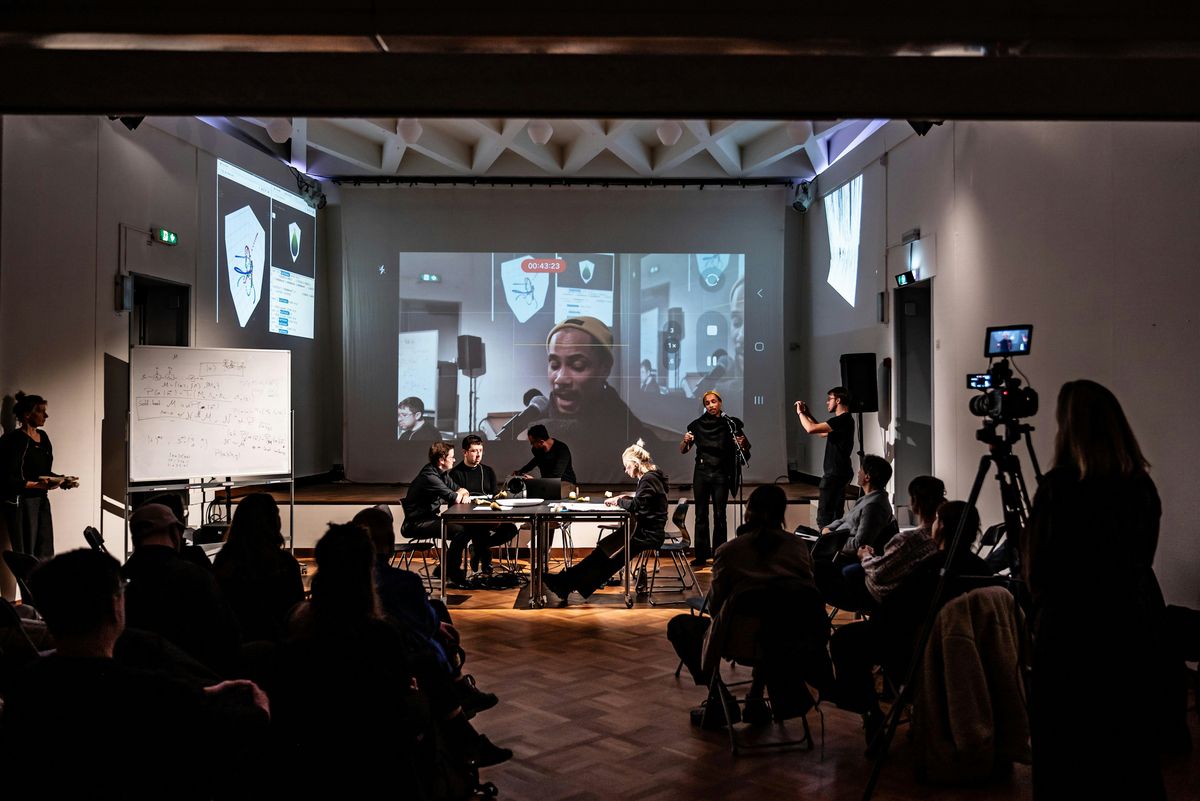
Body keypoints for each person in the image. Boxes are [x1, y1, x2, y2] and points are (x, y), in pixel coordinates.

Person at [0, 549, 270, 800]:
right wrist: (259, 709)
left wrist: (199, 694)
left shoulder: (24, 686)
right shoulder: (148, 690)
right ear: (115, 606)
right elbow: (242, 731)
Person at [269, 523, 510, 795]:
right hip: (376, 736)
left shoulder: (297, 623)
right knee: (424, 681)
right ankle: (453, 760)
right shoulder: (379, 634)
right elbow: (394, 692)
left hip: (313, 744)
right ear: (367, 572)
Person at [1024, 380, 1173, 799]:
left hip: (1068, 638)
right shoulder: (1141, 486)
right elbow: (1143, 558)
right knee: (1128, 752)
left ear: (1067, 428)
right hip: (1130, 632)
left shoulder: (1058, 488)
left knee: (1066, 756)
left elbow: (1037, 571)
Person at [829, 500, 992, 745]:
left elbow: (894, 612)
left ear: (941, 526)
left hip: (916, 649)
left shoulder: (931, 568)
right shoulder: (982, 570)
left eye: (936, 520)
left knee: (844, 640)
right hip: (965, 651)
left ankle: (871, 712)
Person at [667, 485, 827, 719]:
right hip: (792, 640)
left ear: (748, 512)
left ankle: (720, 701)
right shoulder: (798, 548)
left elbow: (714, 607)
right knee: (770, 619)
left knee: (680, 627)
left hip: (738, 642)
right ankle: (755, 697)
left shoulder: (730, 551)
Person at [121, 503, 241, 675]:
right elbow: (228, 636)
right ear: (174, 533)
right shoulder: (198, 577)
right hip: (194, 680)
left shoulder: (119, 581)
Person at [542, 440, 667, 604]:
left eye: (627, 466)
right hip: (641, 530)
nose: (626, 470)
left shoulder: (649, 479)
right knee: (602, 552)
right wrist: (626, 498)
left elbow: (637, 505)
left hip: (646, 534)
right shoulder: (651, 477)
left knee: (608, 559)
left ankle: (564, 584)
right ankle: (565, 583)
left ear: (635, 463)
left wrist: (618, 501)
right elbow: (644, 502)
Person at [541, 315, 658, 482]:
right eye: (554, 365)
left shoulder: (633, 440)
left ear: (604, 368)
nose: (560, 379)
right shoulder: (534, 425)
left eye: (578, 365)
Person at [212, 492, 305, 643]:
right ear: (272, 522)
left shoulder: (224, 561)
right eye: (277, 514)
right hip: (279, 643)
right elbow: (296, 610)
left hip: (235, 643)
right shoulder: (284, 563)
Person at [679, 390, 750, 567]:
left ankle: (719, 555)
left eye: (713, 401)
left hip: (721, 473)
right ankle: (701, 555)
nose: (711, 405)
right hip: (702, 473)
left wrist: (742, 444)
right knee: (701, 514)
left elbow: (745, 446)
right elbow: (683, 449)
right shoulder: (696, 425)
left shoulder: (731, 424)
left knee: (720, 515)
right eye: (707, 403)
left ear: (720, 402)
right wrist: (685, 440)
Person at [0, 392, 74, 559]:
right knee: (27, 553)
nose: (46, 416)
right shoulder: (12, 440)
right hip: (22, 503)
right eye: (41, 411)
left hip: (41, 500)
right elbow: (8, 479)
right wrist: (39, 485)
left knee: (45, 550)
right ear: (27, 415)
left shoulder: (44, 438)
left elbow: (44, 472)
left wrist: (61, 480)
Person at [400, 441, 481, 589]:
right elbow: (455, 497)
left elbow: (462, 490)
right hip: (416, 523)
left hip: (429, 519)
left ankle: (445, 569)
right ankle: (452, 573)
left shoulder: (442, 474)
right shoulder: (429, 476)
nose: (454, 460)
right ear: (441, 460)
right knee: (461, 532)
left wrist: (460, 494)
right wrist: (459, 495)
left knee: (465, 529)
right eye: (451, 457)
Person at [448, 435, 518, 574]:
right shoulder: (455, 473)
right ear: (465, 452)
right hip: (467, 518)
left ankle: (479, 548)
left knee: (511, 529)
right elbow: (453, 503)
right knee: (479, 529)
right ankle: (485, 559)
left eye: (480, 450)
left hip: (488, 515)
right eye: (474, 451)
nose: (478, 454)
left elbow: (495, 495)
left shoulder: (487, 471)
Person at [794, 386, 855, 529]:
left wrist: (800, 413)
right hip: (840, 472)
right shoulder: (844, 420)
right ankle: (833, 540)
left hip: (834, 474)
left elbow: (810, 429)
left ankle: (825, 540)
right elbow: (821, 432)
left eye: (830, 399)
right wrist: (808, 414)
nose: (827, 402)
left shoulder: (842, 419)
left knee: (825, 518)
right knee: (834, 515)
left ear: (838, 400)